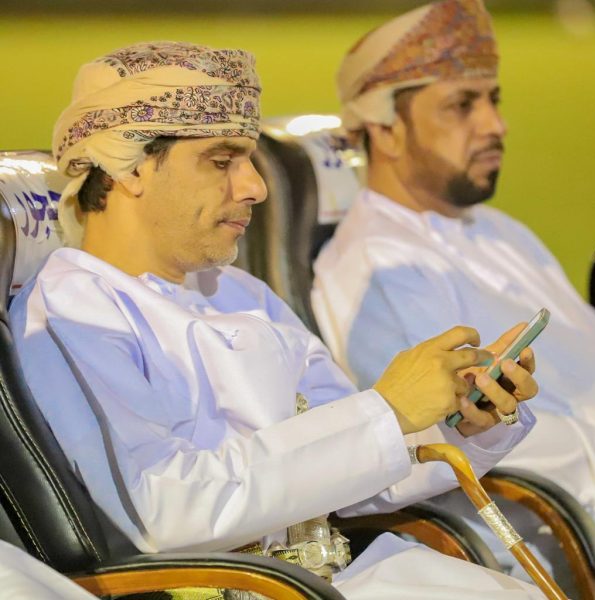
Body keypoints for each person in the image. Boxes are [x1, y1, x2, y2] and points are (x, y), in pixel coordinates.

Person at [11, 41, 543, 599]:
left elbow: (354, 469)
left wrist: (458, 420)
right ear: (133, 167)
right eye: (222, 162)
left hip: (325, 579)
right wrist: (386, 411)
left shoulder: (238, 292)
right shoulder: (74, 310)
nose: (255, 187)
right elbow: (159, 510)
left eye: (249, 160)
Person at [311, 0, 595, 579]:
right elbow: (441, 445)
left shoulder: (498, 230)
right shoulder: (376, 268)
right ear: (386, 130)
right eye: (462, 105)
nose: (495, 125)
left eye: (493, 100)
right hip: (548, 546)